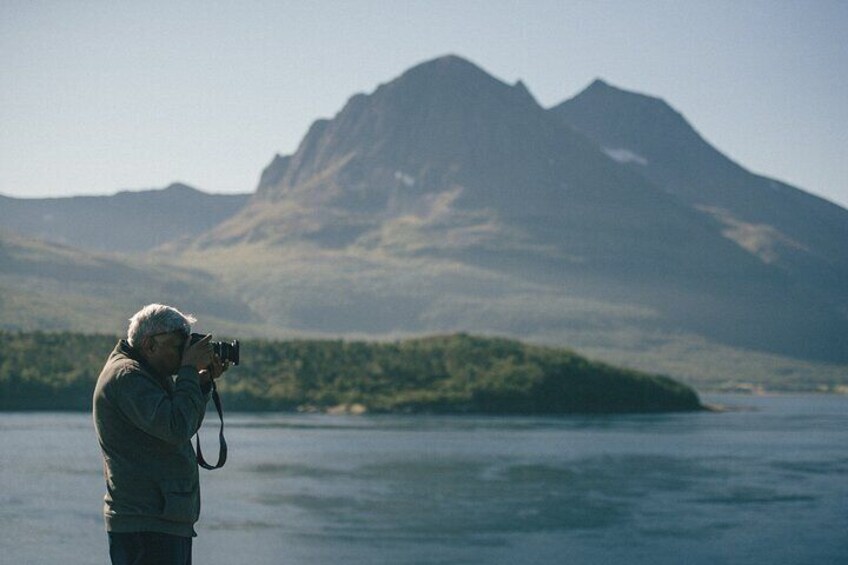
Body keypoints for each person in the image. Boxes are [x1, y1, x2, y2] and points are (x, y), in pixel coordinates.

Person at [93, 303, 228, 565]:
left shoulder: (149, 373)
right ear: (150, 344)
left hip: (157, 517)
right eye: (178, 346)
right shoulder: (127, 376)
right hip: (146, 523)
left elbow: (181, 422)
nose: (183, 353)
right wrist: (188, 371)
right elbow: (176, 427)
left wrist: (199, 381)